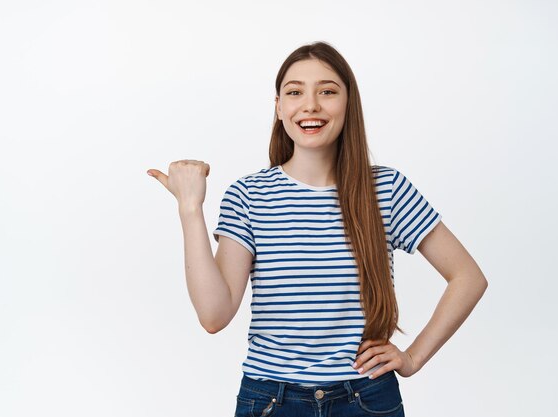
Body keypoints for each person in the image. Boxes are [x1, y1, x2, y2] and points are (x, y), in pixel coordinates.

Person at [147, 41, 488, 417]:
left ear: (348, 104)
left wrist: (413, 357)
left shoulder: (386, 190)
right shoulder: (248, 196)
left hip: (367, 399)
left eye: (327, 91)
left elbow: (468, 277)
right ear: (279, 107)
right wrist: (190, 208)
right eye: (295, 92)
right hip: (271, 401)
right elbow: (214, 315)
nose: (310, 105)